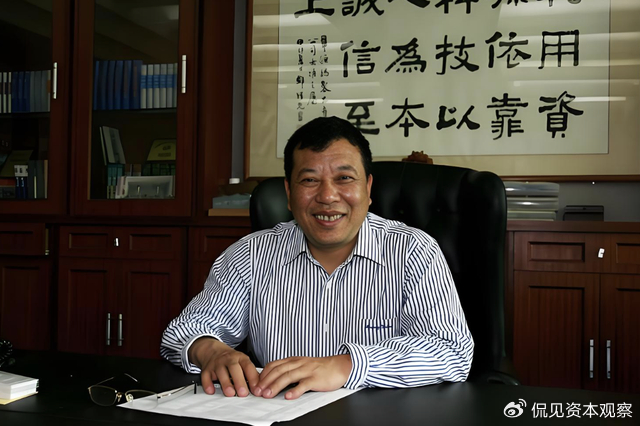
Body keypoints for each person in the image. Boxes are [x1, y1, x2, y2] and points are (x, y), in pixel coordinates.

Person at [161, 116, 473, 400]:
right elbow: (183, 331)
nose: (327, 196)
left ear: (368, 188)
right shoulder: (250, 255)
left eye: (344, 178)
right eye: (309, 180)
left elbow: (451, 350)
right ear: (288, 192)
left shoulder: (413, 251)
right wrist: (210, 351)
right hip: (275, 414)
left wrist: (346, 366)